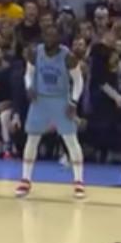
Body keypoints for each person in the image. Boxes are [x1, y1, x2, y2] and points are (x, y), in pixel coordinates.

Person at [17, 24, 86, 199]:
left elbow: (78, 81)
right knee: (32, 139)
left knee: (71, 140)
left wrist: (73, 101)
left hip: (61, 100)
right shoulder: (35, 53)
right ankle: (25, 179)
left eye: (53, 35)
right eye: (47, 35)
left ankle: (79, 181)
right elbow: (28, 73)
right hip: (40, 99)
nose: (49, 38)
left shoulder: (68, 57)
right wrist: (29, 87)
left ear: (59, 38)